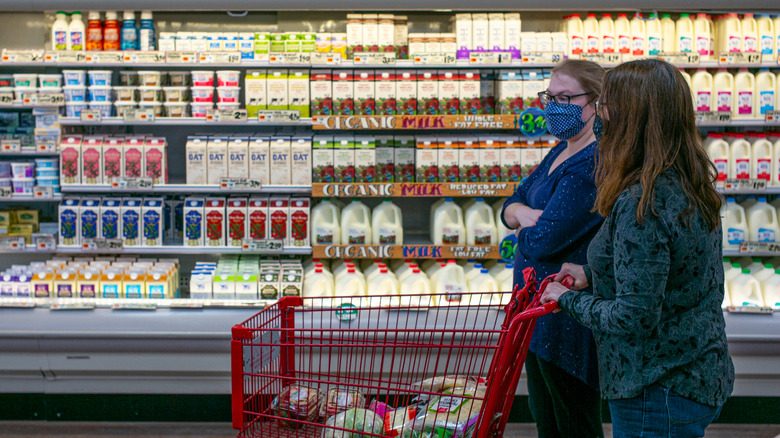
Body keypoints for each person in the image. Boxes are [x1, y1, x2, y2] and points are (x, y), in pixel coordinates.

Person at [541, 59, 734, 438]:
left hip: (656, 386)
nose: (599, 114)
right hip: (696, 369)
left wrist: (565, 298)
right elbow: (670, 268)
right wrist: (594, 274)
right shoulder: (684, 179)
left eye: (607, 105)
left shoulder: (642, 202)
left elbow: (634, 318)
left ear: (631, 118)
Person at [500, 59, 605, 438]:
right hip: (536, 308)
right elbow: (511, 202)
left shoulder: (591, 163)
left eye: (565, 98)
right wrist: (522, 212)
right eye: (550, 96)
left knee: (572, 418)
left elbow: (544, 240)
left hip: (566, 313)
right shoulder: (562, 148)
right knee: (546, 415)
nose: (553, 106)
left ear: (594, 102)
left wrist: (521, 225)